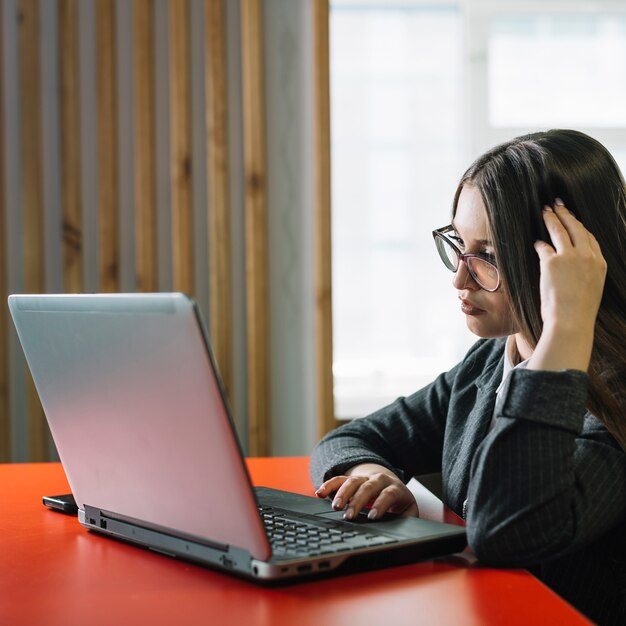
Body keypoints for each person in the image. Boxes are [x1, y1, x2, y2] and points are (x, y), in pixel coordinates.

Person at [310, 129, 626, 625]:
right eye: (459, 244)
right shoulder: (485, 363)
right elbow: (352, 437)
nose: (460, 277)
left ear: (568, 265)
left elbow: (505, 533)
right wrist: (371, 475)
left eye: (490, 256)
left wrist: (565, 325)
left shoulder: (615, 401)